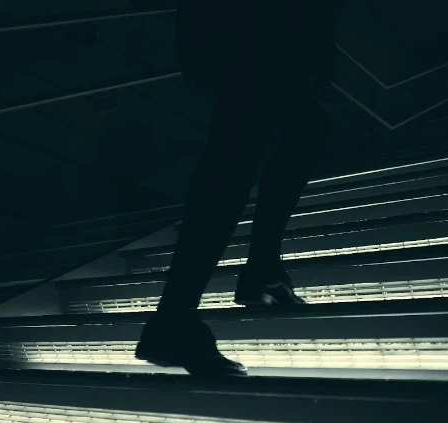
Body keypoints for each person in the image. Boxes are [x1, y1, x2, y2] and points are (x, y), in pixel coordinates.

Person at [135, 1, 341, 376]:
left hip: (247, 30)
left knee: (264, 146)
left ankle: (255, 273)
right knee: (237, 161)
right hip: (265, 29)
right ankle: (178, 318)